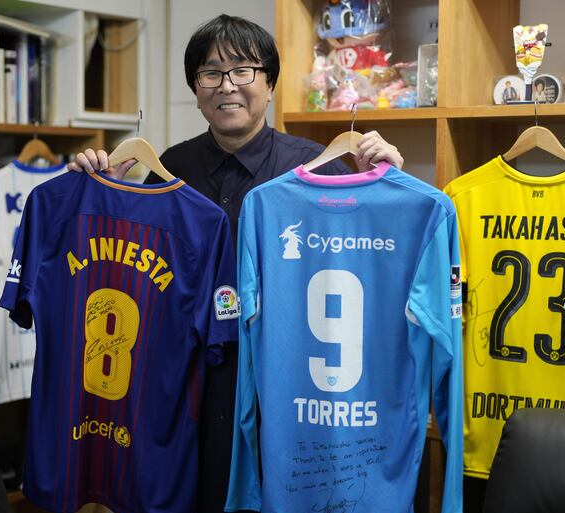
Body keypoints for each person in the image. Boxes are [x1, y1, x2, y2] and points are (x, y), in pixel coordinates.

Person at [69, 14, 404, 513]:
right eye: (210, 73)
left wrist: (389, 178)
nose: (227, 86)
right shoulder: (167, 170)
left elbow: (383, 252)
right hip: (191, 382)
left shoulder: (317, 166)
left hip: (287, 382)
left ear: (269, 83)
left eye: (243, 70)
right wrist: (97, 186)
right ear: (197, 89)